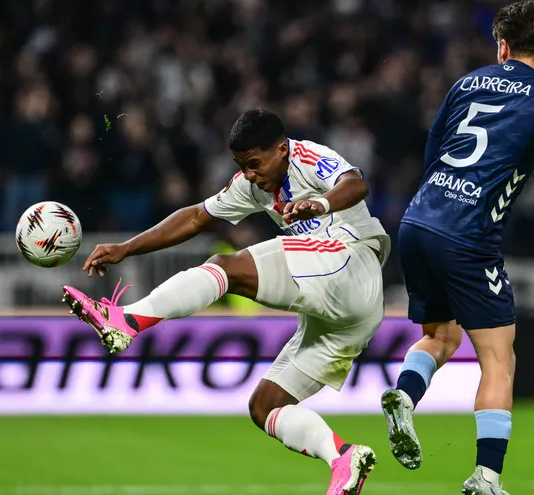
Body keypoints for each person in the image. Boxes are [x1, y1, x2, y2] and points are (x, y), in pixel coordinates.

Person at [62, 108, 389, 495]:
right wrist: (127, 248)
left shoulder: (308, 157)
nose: (250, 174)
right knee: (265, 406)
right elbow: (198, 217)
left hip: (351, 261)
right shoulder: (251, 184)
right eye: (242, 165)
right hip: (350, 317)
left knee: (225, 266)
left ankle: (128, 321)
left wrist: (320, 204)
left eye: (254, 163)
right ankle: (343, 457)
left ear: (281, 150)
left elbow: (355, 184)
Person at [379, 2, 534, 494]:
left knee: (441, 338)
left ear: (502, 46)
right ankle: (486, 477)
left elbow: (436, 149)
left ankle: (404, 396)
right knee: (498, 357)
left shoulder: (466, 83)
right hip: (467, 235)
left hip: (419, 219)